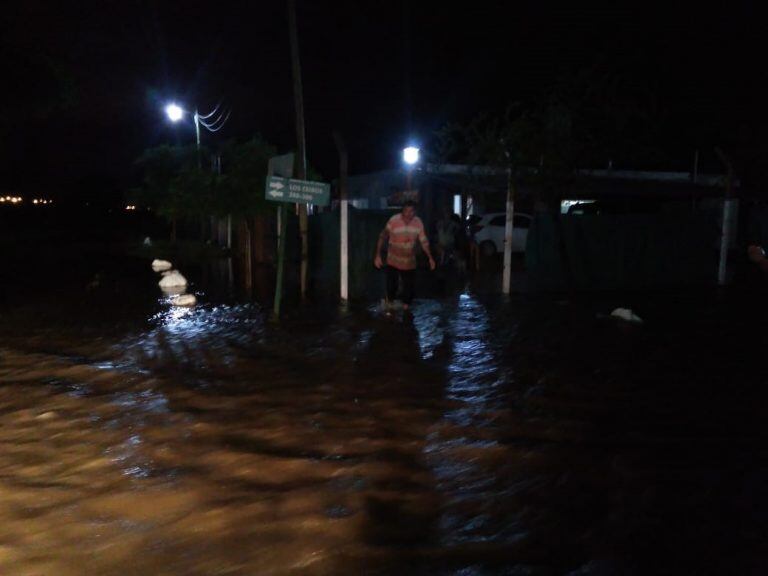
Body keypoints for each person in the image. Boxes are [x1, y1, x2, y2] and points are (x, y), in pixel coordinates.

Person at [374, 200, 436, 310]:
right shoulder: (394, 220)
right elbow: (383, 236)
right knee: (391, 285)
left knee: (409, 287)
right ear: (402, 211)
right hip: (393, 258)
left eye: (411, 211)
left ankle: (406, 311)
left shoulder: (418, 222)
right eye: (406, 211)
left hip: (409, 260)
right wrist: (377, 255)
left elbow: (423, 241)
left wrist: (430, 258)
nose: (408, 214)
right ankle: (390, 306)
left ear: (415, 212)